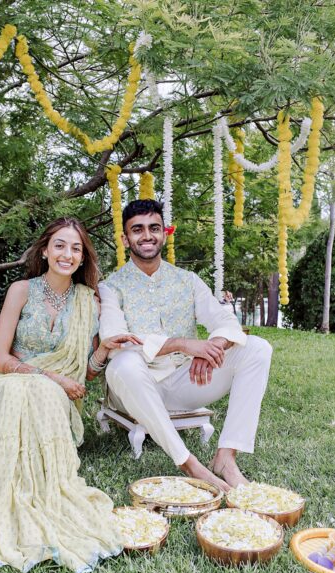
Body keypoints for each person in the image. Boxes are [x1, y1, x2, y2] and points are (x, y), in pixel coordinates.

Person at [0, 217, 139, 573]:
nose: (67, 254)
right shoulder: (21, 290)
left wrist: (104, 350)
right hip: (7, 381)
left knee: (45, 393)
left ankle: (41, 489)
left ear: (83, 259)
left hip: (54, 395)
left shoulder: (88, 303)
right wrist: (51, 377)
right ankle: (1, 482)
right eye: (60, 245)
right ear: (46, 250)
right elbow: (0, 359)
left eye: (76, 248)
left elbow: (84, 374)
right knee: (35, 389)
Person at [99, 199, 273, 491]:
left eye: (154, 228)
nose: (147, 236)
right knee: (123, 362)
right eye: (137, 229)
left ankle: (226, 458)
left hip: (186, 382)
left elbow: (224, 321)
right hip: (136, 388)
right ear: (124, 238)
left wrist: (212, 346)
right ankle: (190, 465)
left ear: (164, 233)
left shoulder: (187, 281)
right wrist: (184, 343)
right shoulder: (111, 286)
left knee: (257, 348)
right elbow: (116, 340)